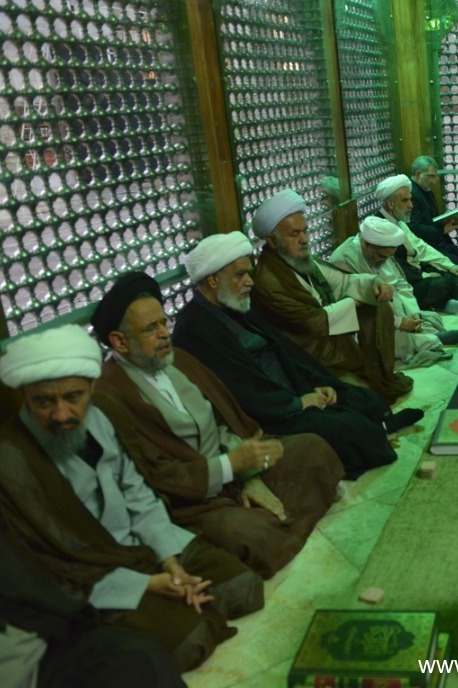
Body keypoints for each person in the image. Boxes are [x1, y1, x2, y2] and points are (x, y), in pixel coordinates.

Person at [0, 325, 264, 671]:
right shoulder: (1, 465)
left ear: (92, 387)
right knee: (191, 640)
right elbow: (41, 564)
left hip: (143, 544)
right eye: (44, 402)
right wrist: (147, 584)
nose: (61, 414)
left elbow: (138, 493)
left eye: (73, 397)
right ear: (24, 396)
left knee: (243, 588)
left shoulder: (104, 413)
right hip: (92, 578)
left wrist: (169, 561)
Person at [92, 271, 345, 579]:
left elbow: (225, 419)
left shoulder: (178, 359)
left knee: (313, 449)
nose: (164, 334)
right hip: (196, 499)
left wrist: (249, 475)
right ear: (119, 341)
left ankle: (276, 523)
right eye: (151, 328)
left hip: (235, 470)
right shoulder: (110, 395)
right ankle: (274, 525)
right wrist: (228, 467)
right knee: (249, 534)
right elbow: (153, 475)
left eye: (163, 323)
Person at [172, 232, 420, 480]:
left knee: (359, 397)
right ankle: (375, 433)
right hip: (266, 412)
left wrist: (313, 385)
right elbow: (240, 388)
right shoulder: (195, 327)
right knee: (341, 426)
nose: (250, 282)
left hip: (287, 390)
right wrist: (298, 403)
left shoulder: (235, 304)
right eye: (240, 275)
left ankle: (377, 428)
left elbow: (284, 351)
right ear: (213, 280)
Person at [0, 505, 187, 688]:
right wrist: (143, 583)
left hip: (41, 641)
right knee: (187, 636)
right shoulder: (0, 469)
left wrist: (170, 562)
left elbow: (142, 500)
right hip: (92, 583)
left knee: (140, 654)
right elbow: (58, 563)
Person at [249, 189, 413, 403]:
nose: (304, 239)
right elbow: (313, 323)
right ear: (272, 241)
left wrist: (373, 283)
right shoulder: (268, 280)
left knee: (377, 304)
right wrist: (357, 301)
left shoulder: (298, 260)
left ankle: (380, 376)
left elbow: (342, 282)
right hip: (309, 354)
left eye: (305, 231)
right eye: (295, 234)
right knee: (365, 401)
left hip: (330, 338)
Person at [331, 217, 458, 368]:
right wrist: (398, 323)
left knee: (429, 318)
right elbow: (357, 309)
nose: (385, 261)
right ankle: (431, 340)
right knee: (389, 341)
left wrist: (412, 314)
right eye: (382, 257)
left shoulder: (381, 253)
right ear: (365, 244)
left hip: (392, 314)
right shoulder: (344, 260)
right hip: (366, 322)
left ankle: (424, 337)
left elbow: (401, 285)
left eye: (388, 257)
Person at [375, 175, 458, 313]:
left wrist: (449, 265)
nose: (411, 205)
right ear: (391, 204)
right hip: (404, 282)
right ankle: (436, 304)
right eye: (405, 200)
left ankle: (437, 303)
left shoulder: (399, 222)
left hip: (416, 271)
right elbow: (395, 267)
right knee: (446, 284)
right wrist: (423, 275)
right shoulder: (380, 227)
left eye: (410, 200)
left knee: (456, 275)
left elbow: (420, 247)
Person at [408, 155, 458, 272]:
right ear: (418, 174)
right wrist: (443, 230)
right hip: (428, 244)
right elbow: (414, 229)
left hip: (439, 240)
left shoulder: (426, 189)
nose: (434, 181)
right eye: (431, 176)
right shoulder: (411, 195)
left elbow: (430, 219)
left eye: (436, 177)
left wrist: (446, 218)